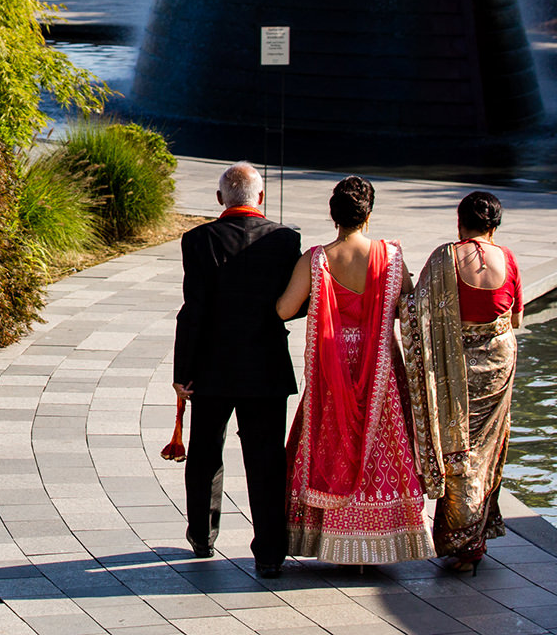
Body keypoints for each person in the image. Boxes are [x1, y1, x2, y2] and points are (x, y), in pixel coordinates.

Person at [277, 177, 432, 566]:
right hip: (379, 364)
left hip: (333, 366)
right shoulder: (392, 257)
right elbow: (407, 305)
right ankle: (378, 543)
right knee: (383, 445)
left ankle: (329, 538)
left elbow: (283, 310)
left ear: (334, 217)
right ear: (369, 214)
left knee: (333, 444)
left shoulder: (316, 259)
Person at [174, 162, 303, 577]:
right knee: (267, 459)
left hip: (211, 366)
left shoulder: (197, 240)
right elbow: (294, 304)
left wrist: (182, 372)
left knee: (205, 451)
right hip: (265, 367)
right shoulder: (286, 240)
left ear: (219, 200)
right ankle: (268, 552)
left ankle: (202, 536)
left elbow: (192, 311)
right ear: (260, 198)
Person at [402, 191, 523, 573]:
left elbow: (413, 309)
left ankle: (462, 542)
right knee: (487, 450)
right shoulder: (509, 259)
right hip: (499, 363)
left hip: (455, 368)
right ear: (495, 225)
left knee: (457, 448)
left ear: (460, 223)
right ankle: (479, 533)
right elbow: (516, 319)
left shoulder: (444, 258)